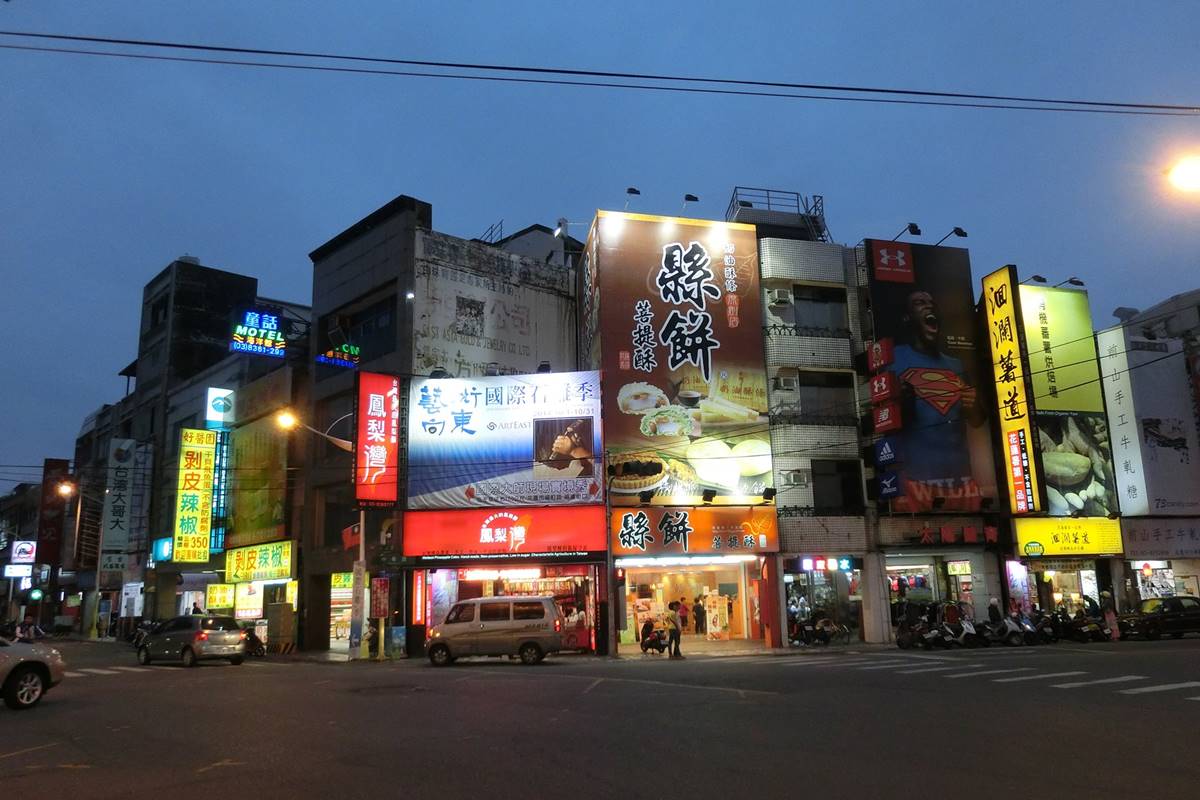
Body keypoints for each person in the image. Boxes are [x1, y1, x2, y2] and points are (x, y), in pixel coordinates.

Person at [888, 288, 985, 512]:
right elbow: (883, 420)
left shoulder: (956, 365)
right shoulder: (893, 359)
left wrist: (974, 405)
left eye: (931, 303)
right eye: (919, 303)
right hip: (915, 483)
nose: (929, 305)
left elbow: (977, 420)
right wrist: (901, 402)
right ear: (907, 318)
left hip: (963, 484)